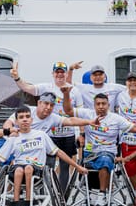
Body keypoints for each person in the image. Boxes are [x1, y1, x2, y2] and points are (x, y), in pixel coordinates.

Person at [0, 106, 88, 206]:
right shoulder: (13, 138)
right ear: (16, 122)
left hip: (37, 170)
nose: (25, 120)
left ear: (32, 120)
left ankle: (28, 203)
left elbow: (59, 152)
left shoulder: (41, 135)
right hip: (18, 169)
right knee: (18, 170)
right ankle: (15, 204)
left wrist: (77, 167)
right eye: (21, 117)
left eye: (27, 117)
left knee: (28, 168)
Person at [63, 89, 136, 206]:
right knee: (98, 159)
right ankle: (91, 193)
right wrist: (66, 93)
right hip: (90, 153)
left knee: (105, 159)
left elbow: (135, 128)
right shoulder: (88, 114)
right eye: (98, 104)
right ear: (94, 106)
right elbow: (68, 110)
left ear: (108, 105)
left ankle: (102, 195)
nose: (101, 106)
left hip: (108, 153)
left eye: (104, 104)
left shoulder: (116, 118)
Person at [11, 61, 83, 192]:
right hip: (50, 134)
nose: (60, 75)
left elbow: (80, 114)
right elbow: (27, 88)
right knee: (47, 165)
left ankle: (61, 196)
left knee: (65, 167)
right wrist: (17, 77)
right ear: (53, 74)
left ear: (66, 74)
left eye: (62, 72)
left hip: (68, 134)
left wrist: (82, 134)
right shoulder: (46, 87)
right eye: (57, 72)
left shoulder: (75, 91)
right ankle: (45, 194)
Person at [2, 92, 99, 175]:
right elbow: (8, 123)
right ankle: (7, 191)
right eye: (46, 104)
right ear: (39, 103)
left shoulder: (53, 118)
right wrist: (11, 131)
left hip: (33, 149)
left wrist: (89, 122)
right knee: (12, 167)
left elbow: (70, 121)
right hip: (16, 144)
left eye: (51, 105)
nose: (48, 107)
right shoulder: (27, 111)